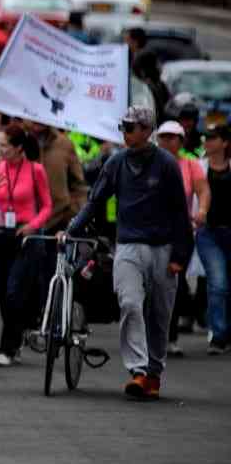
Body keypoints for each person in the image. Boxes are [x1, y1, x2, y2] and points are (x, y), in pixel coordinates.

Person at [64, 105, 192, 400]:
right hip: (129, 245)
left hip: (163, 247)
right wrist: (71, 230)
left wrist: (179, 258)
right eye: (123, 127)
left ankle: (154, 373)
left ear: (148, 131)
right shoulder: (116, 162)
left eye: (131, 127)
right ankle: (138, 370)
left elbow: (180, 215)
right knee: (130, 303)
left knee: (160, 314)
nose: (125, 133)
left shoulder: (167, 165)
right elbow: (95, 201)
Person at [0, 124, 52, 366]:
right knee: (5, 293)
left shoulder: (36, 170)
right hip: (0, 236)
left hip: (26, 237)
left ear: (19, 148)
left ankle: (6, 348)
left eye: (4, 145)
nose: (0, 149)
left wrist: (33, 225)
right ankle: (16, 339)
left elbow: (48, 206)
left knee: (14, 290)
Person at [156, 120, 210, 357]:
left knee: (173, 283)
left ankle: (170, 338)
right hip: (152, 233)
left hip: (180, 234)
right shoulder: (149, 164)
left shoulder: (190, 166)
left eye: (173, 137)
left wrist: (202, 211)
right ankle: (152, 334)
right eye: (163, 137)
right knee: (153, 286)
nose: (168, 142)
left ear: (181, 141)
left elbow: (203, 190)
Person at [196, 124, 230, 353]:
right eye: (205, 137)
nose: (207, 141)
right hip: (208, 233)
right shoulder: (198, 167)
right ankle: (218, 336)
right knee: (218, 283)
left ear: (225, 142)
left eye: (213, 137)